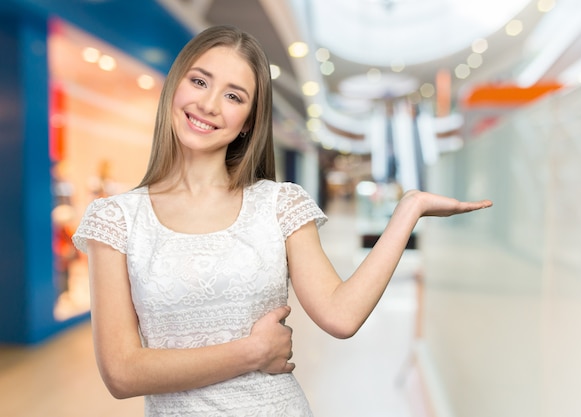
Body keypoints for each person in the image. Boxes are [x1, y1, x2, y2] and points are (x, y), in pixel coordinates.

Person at [72, 25, 492, 416]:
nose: (208, 104)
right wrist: (252, 352)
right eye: (199, 81)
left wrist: (409, 210)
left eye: (234, 96)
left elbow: (341, 316)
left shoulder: (279, 204)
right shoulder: (116, 219)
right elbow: (122, 373)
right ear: (175, 86)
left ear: (248, 122)